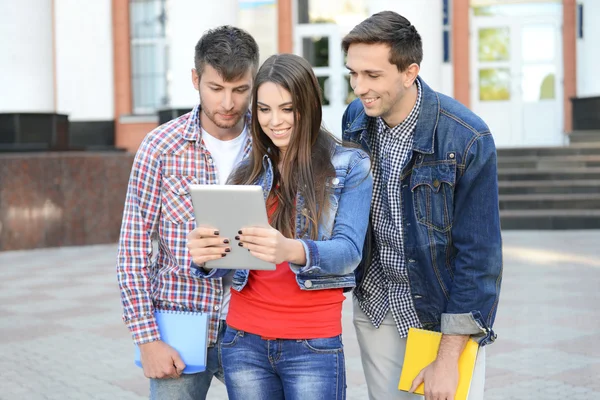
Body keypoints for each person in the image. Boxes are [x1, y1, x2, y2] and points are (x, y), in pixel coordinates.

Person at [187, 53, 373, 400]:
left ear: (309, 105)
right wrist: (206, 257)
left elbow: (349, 253)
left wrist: (290, 249)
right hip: (243, 342)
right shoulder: (247, 171)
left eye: (287, 109)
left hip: (312, 344)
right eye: (264, 109)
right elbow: (231, 257)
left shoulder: (350, 166)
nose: (275, 121)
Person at [341, 11, 503, 400]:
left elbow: (479, 257)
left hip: (440, 315)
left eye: (372, 75)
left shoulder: (465, 138)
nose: (359, 87)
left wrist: (448, 356)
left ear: (409, 72)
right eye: (353, 73)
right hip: (377, 306)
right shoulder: (355, 120)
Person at [116, 26, 259, 400]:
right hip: (179, 326)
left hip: (253, 329)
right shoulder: (161, 147)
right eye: (216, 88)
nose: (228, 103)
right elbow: (133, 249)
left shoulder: (270, 145)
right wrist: (147, 339)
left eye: (240, 89)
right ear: (196, 79)